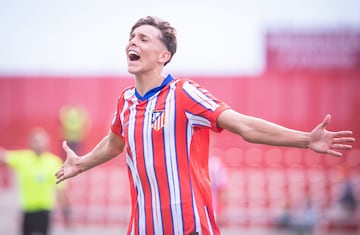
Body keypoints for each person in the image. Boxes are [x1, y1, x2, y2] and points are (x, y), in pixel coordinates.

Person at [55, 16, 355, 235]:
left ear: (164, 56)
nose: (133, 42)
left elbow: (243, 125)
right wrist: (81, 163)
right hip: (141, 229)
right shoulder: (126, 101)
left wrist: (306, 139)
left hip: (190, 228)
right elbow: (115, 142)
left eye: (144, 38)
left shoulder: (184, 93)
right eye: (132, 37)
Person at [0, 127, 70, 235]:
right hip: (28, 209)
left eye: (40, 141)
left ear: (47, 143)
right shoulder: (23, 158)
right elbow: (4, 157)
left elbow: (60, 189)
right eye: (35, 141)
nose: (38, 144)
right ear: (30, 143)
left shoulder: (53, 162)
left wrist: (66, 211)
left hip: (44, 210)